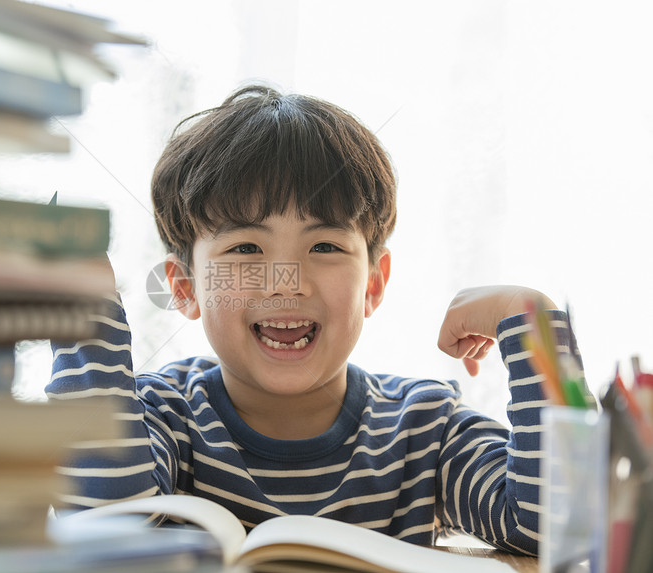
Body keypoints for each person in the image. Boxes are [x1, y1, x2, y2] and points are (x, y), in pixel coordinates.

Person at [46, 84, 582, 556]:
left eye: (324, 245)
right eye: (246, 249)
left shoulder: (426, 428)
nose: (286, 281)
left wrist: (534, 327)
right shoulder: (159, 417)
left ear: (372, 282)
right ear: (186, 289)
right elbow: (102, 525)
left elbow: (559, 528)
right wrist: (85, 317)